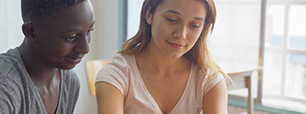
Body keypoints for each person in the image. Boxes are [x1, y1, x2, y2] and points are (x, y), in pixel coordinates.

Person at [0, 0, 94, 113]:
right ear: (31, 32)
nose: (85, 48)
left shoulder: (69, 82)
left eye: (89, 31)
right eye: (71, 37)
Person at [95, 0, 230, 113]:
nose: (181, 35)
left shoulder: (209, 81)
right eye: (172, 20)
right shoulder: (116, 75)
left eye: (194, 25)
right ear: (149, 14)